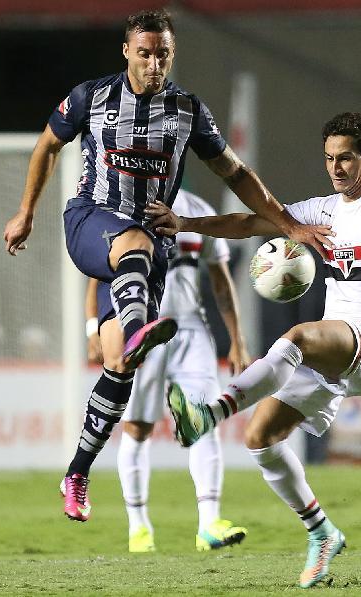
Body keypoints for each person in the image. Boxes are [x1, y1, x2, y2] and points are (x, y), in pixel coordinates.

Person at [2, 8, 331, 523]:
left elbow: (237, 173)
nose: (154, 63)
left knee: (120, 365)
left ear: (172, 55)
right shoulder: (91, 97)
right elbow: (47, 145)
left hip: (150, 248)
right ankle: (138, 327)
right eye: (145, 53)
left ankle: (77, 471)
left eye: (163, 55)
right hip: (90, 221)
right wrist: (26, 212)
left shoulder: (188, 111)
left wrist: (287, 222)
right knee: (132, 243)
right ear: (127, 52)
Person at [150, 112, 361, 588]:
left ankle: (208, 415)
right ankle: (322, 532)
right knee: (260, 438)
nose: (336, 168)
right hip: (335, 349)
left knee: (296, 337)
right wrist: (186, 223)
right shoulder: (324, 210)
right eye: (329, 159)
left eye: (346, 158)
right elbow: (252, 222)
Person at [88, 188, 252, 553]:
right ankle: (139, 528)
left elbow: (220, 279)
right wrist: (94, 326)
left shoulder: (198, 210)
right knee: (137, 427)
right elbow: (98, 274)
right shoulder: (124, 204)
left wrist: (237, 339)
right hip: (142, 327)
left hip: (191, 328)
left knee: (203, 418)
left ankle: (210, 523)